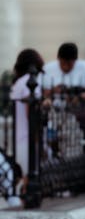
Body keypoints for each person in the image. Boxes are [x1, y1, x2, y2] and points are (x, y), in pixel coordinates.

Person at [9, 49, 45, 206]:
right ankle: (23, 202)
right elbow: (32, 115)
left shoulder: (18, 83)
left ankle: (20, 200)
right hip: (28, 138)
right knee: (30, 177)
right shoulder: (31, 83)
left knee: (25, 176)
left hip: (17, 138)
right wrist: (38, 138)